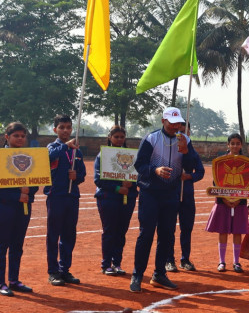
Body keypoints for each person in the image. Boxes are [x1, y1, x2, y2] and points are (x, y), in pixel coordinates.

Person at [130, 107, 198, 292]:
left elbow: (191, 166)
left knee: (167, 235)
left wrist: (185, 152)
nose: (175, 125)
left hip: (171, 193)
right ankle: (137, 274)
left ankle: (159, 274)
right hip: (150, 192)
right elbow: (139, 164)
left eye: (178, 123)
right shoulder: (151, 139)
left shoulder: (185, 140)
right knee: (146, 234)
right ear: (163, 121)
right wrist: (155, 170)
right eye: (171, 122)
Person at [45, 114, 86, 286]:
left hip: (72, 196)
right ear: (55, 129)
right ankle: (53, 272)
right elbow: (48, 158)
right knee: (53, 235)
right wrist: (65, 146)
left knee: (69, 234)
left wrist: (77, 176)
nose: (66, 130)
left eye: (69, 127)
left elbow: (82, 174)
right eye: (62, 127)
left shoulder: (77, 151)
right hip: (56, 196)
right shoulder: (52, 147)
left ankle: (65, 270)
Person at [94, 126, 138, 276]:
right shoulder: (102, 156)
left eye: (122, 137)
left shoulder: (133, 157)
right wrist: (117, 188)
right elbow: (98, 180)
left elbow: (138, 176)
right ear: (110, 137)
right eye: (116, 137)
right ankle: (106, 264)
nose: (119, 139)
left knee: (121, 232)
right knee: (110, 231)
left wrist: (133, 184)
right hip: (108, 199)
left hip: (128, 199)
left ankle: (117, 263)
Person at [0, 122, 37, 296]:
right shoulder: (1, 156)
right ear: (7, 137)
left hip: (23, 207)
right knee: (2, 245)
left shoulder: (31, 156)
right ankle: (1, 282)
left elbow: (37, 179)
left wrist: (29, 193)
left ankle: (14, 280)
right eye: (16, 136)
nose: (20, 139)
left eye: (23, 136)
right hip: (4, 207)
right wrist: (17, 195)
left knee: (17, 244)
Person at [205, 133, 249, 273]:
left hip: (240, 201)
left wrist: (237, 200)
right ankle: (222, 261)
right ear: (228, 145)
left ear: (241, 145)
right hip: (222, 201)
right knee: (223, 230)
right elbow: (216, 181)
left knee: (237, 231)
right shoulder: (220, 161)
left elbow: (248, 182)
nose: (235, 146)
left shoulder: (246, 162)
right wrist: (225, 198)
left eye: (238, 143)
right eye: (233, 143)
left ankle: (236, 262)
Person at [165, 122, 205, 272]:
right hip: (170, 193)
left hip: (187, 194)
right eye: (178, 130)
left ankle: (185, 259)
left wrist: (189, 176)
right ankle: (169, 260)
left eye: (184, 131)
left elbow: (200, 172)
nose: (181, 133)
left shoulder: (192, 151)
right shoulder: (168, 149)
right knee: (169, 228)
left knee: (186, 228)